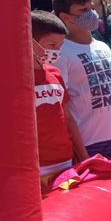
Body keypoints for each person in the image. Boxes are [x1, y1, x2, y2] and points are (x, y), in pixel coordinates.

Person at [52, 0, 111, 160]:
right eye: (83, 10)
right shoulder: (61, 53)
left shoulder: (103, 47)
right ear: (65, 17)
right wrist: (80, 151)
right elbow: (63, 106)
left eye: (91, 8)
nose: (91, 13)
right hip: (85, 141)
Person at [30, 11, 88, 192]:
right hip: (33, 167)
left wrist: (84, 157)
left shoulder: (54, 73)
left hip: (64, 162)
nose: (56, 51)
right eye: (52, 44)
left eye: (60, 45)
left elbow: (68, 118)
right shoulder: (14, 79)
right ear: (31, 42)